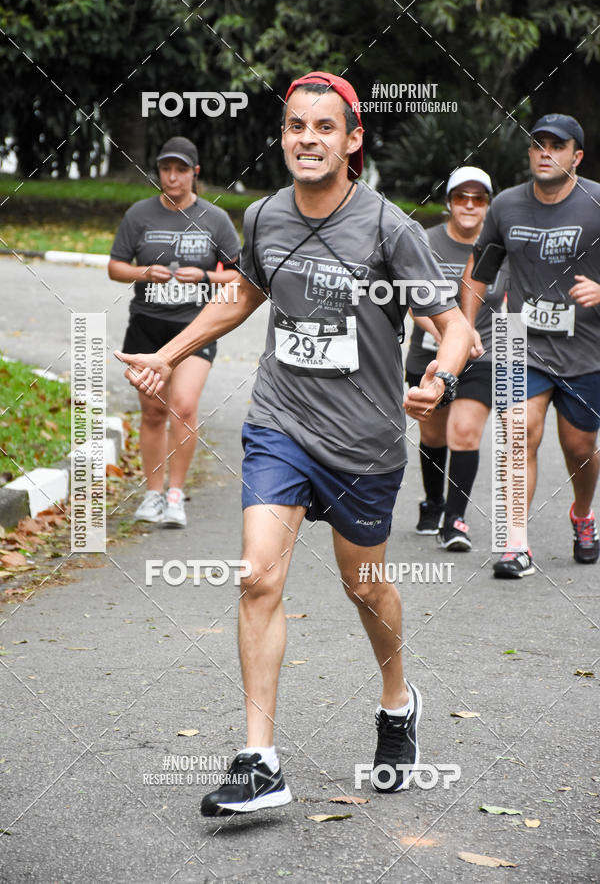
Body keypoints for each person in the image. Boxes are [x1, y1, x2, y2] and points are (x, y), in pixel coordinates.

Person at [116, 72, 473, 814]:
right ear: (282, 138)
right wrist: (169, 353)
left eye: (323, 128)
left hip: (365, 441)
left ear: (352, 141)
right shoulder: (267, 215)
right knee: (257, 579)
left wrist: (438, 376)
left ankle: (398, 700)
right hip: (280, 425)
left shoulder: (388, 229)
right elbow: (241, 296)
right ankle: (260, 758)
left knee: (364, 587)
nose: (307, 140)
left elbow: (456, 325)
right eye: (295, 128)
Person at [461, 114, 600, 577]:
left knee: (580, 448)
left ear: (575, 157)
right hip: (518, 336)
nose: (544, 152)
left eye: (556, 146)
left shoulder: (596, 202)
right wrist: (464, 330)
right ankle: (515, 544)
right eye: (537, 144)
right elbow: (478, 273)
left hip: (587, 346)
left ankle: (582, 514)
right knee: (517, 433)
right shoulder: (505, 206)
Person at [108, 136, 241, 528]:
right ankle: (152, 494)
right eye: (166, 169)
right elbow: (115, 267)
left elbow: (239, 274)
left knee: (182, 405)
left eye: (181, 170)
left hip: (195, 327)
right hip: (146, 325)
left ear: (194, 173)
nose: (172, 176)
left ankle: (175, 494)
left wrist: (203, 274)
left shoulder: (215, 219)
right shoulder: (139, 215)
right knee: (152, 411)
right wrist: (143, 272)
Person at [406, 167, 505, 551]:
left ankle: (455, 520)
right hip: (428, 355)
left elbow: (514, 297)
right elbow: (415, 305)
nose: (468, 205)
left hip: (482, 356)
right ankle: (433, 503)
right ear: (448, 202)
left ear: (488, 206)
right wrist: (448, 336)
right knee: (433, 434)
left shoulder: (498, 248)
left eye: (478, 198)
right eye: (461, 197)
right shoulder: (424, 241)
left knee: (463, 432)